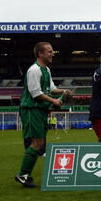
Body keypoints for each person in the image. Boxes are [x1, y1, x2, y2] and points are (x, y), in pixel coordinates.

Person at [15, 42, 72, 187]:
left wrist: (63, 91)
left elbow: (51, 88)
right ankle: (22, 174)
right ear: (40, 53)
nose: (53, 54)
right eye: (50, 51)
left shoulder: (46, 69)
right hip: (31, 109)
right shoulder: (34, 70)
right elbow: (36, 93)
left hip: (39, 110)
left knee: (39, 144)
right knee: (37, 143)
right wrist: (54, 100)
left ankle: (24, 174)